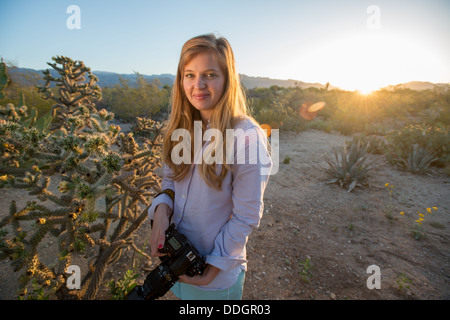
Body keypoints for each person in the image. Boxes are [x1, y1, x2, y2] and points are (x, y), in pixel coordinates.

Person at [147, 33, 272, 300]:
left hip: (214, 280)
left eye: (210, 75)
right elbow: (170, 181)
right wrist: (160, 210)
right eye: (189, 75)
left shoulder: (246, 136)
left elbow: (246, 216)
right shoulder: (182, 128)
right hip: (177, 264)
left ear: (227, 79)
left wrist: (212, 269)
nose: (198, 85)